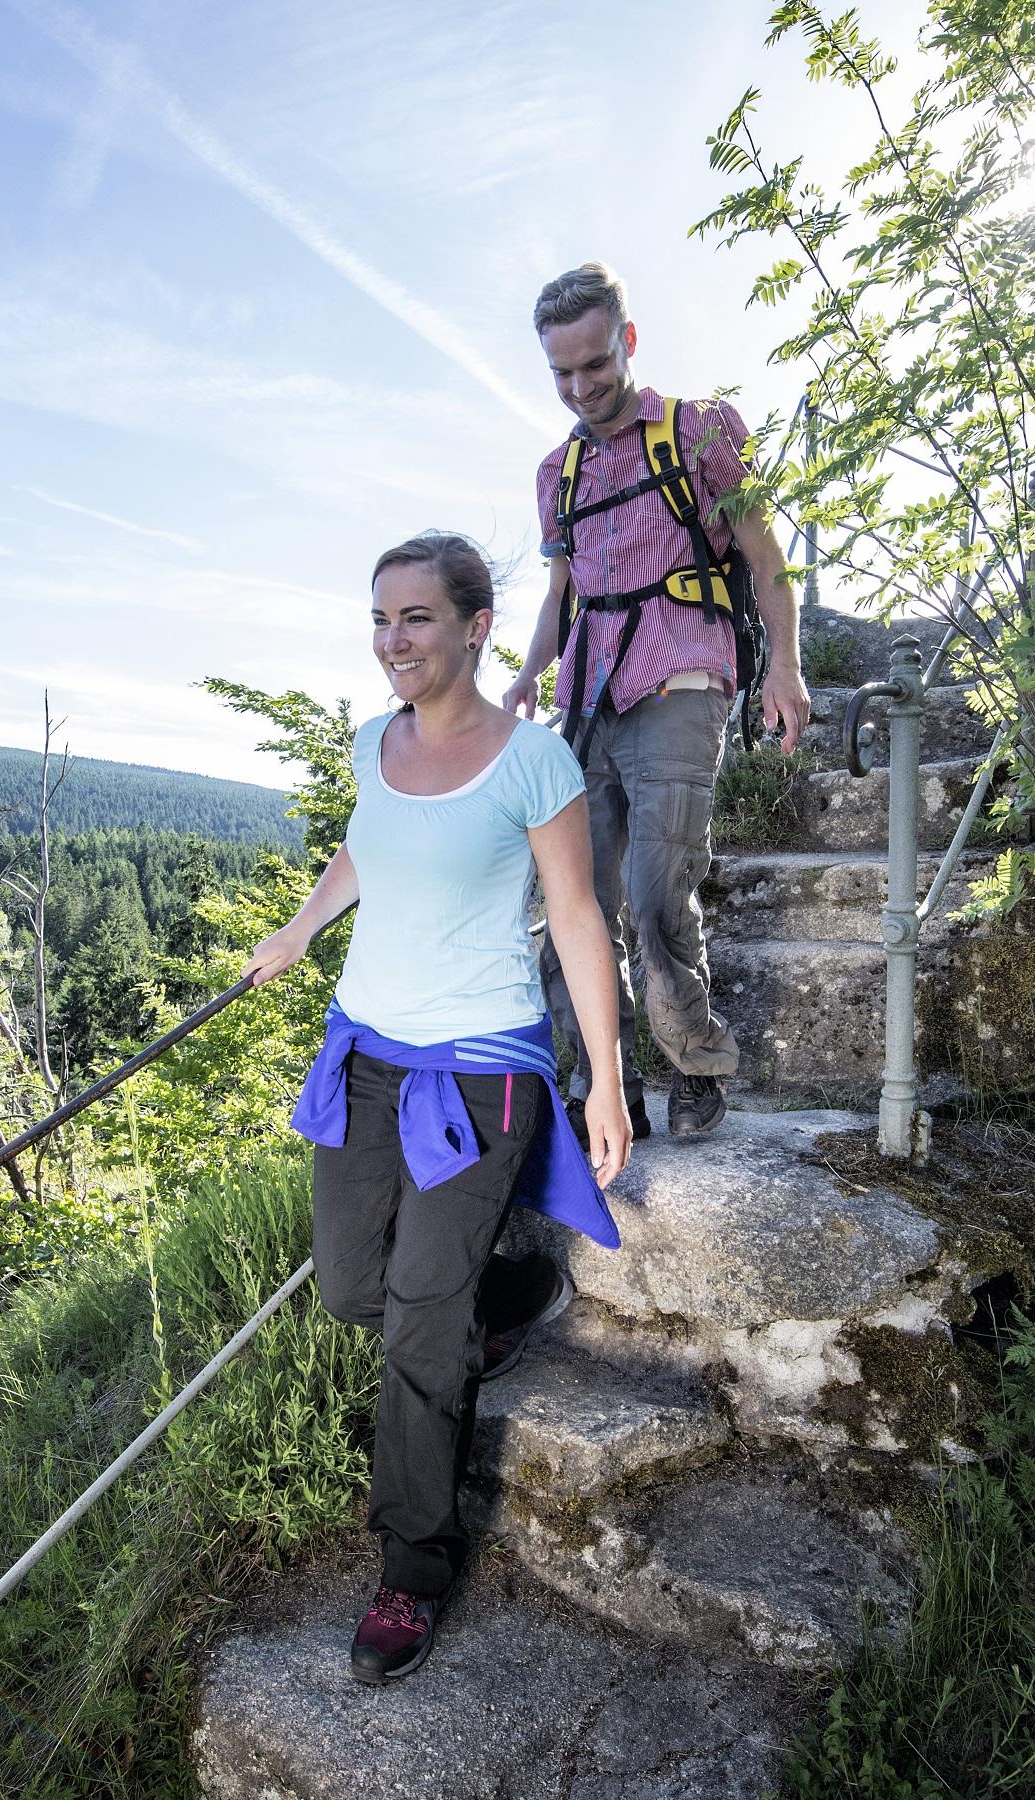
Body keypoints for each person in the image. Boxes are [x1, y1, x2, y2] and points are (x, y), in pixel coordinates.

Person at [242, 531, 633, 1688]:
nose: (393, 640)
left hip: (480, 1067)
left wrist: (603, 1077)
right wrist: (300, 927)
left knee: (416, 1327)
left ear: (474, 627)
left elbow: (575, 919)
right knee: (354, 1287)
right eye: (380, 619)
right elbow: (366, 854)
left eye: (416, 617)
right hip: (365, 1053)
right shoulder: (374, 744)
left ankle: (412, 1570)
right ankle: (510, 1291)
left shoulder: (533, 762)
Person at [502, 261, 812, 1141]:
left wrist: (783, 670)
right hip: (587, 704)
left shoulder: (699, 431)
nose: (579, 386)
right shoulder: (554, 473)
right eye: (560, 372)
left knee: (653, 889)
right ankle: (604, 1085)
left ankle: (697, 1062)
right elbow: (562, 593)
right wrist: (531, 672)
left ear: (627, 341)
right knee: (572, 898)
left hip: (681, 682)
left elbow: (766, 559)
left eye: (593, 364)